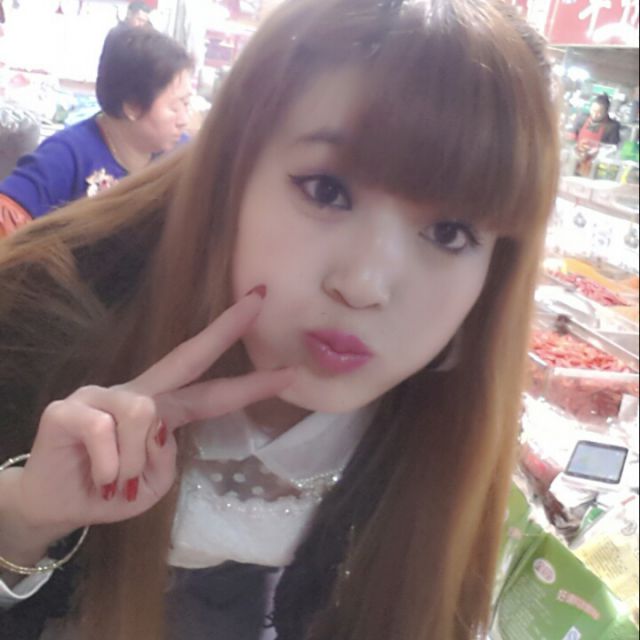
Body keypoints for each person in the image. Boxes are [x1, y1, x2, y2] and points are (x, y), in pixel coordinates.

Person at [0, 1, 559, 639]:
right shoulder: (43, 318)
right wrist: (21, 520)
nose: (364, 285)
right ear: (233, 169)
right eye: (327, 190)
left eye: (449, 232)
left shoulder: (449, 420)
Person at [0, 25, 192, 237]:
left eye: (187, 104)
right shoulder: (65, 156)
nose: (184, 120)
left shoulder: (182, 157)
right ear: (132, 106)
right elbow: (6, 219)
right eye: (175, 107)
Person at [572, 93, 621, 177]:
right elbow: (571, 138)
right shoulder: (581, 118)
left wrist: (597, 151)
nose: (594, 114)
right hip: (576, 160)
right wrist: (577, 148)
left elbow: (613, 148)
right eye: (593, 110)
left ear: (606, 112)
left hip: (596, 166)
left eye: (599, 112)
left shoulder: (612, 126)